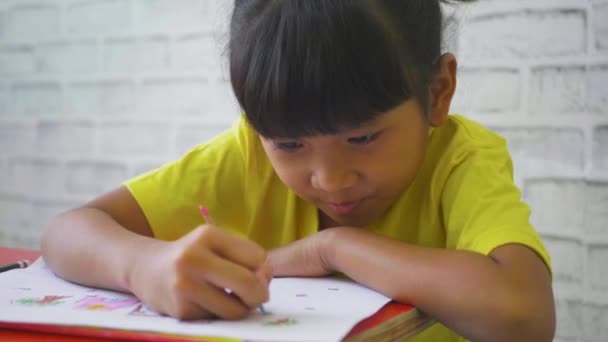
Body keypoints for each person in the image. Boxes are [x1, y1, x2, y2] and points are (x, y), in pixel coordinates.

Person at [41, 1, 556, 341]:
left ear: (438, 91)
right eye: (289, 143)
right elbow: (68, 231)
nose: (330, 179)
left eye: (363, 137)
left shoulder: (460, 159)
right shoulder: (247, 155)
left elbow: (523, 315)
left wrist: (332, 249)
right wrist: (143, 265)